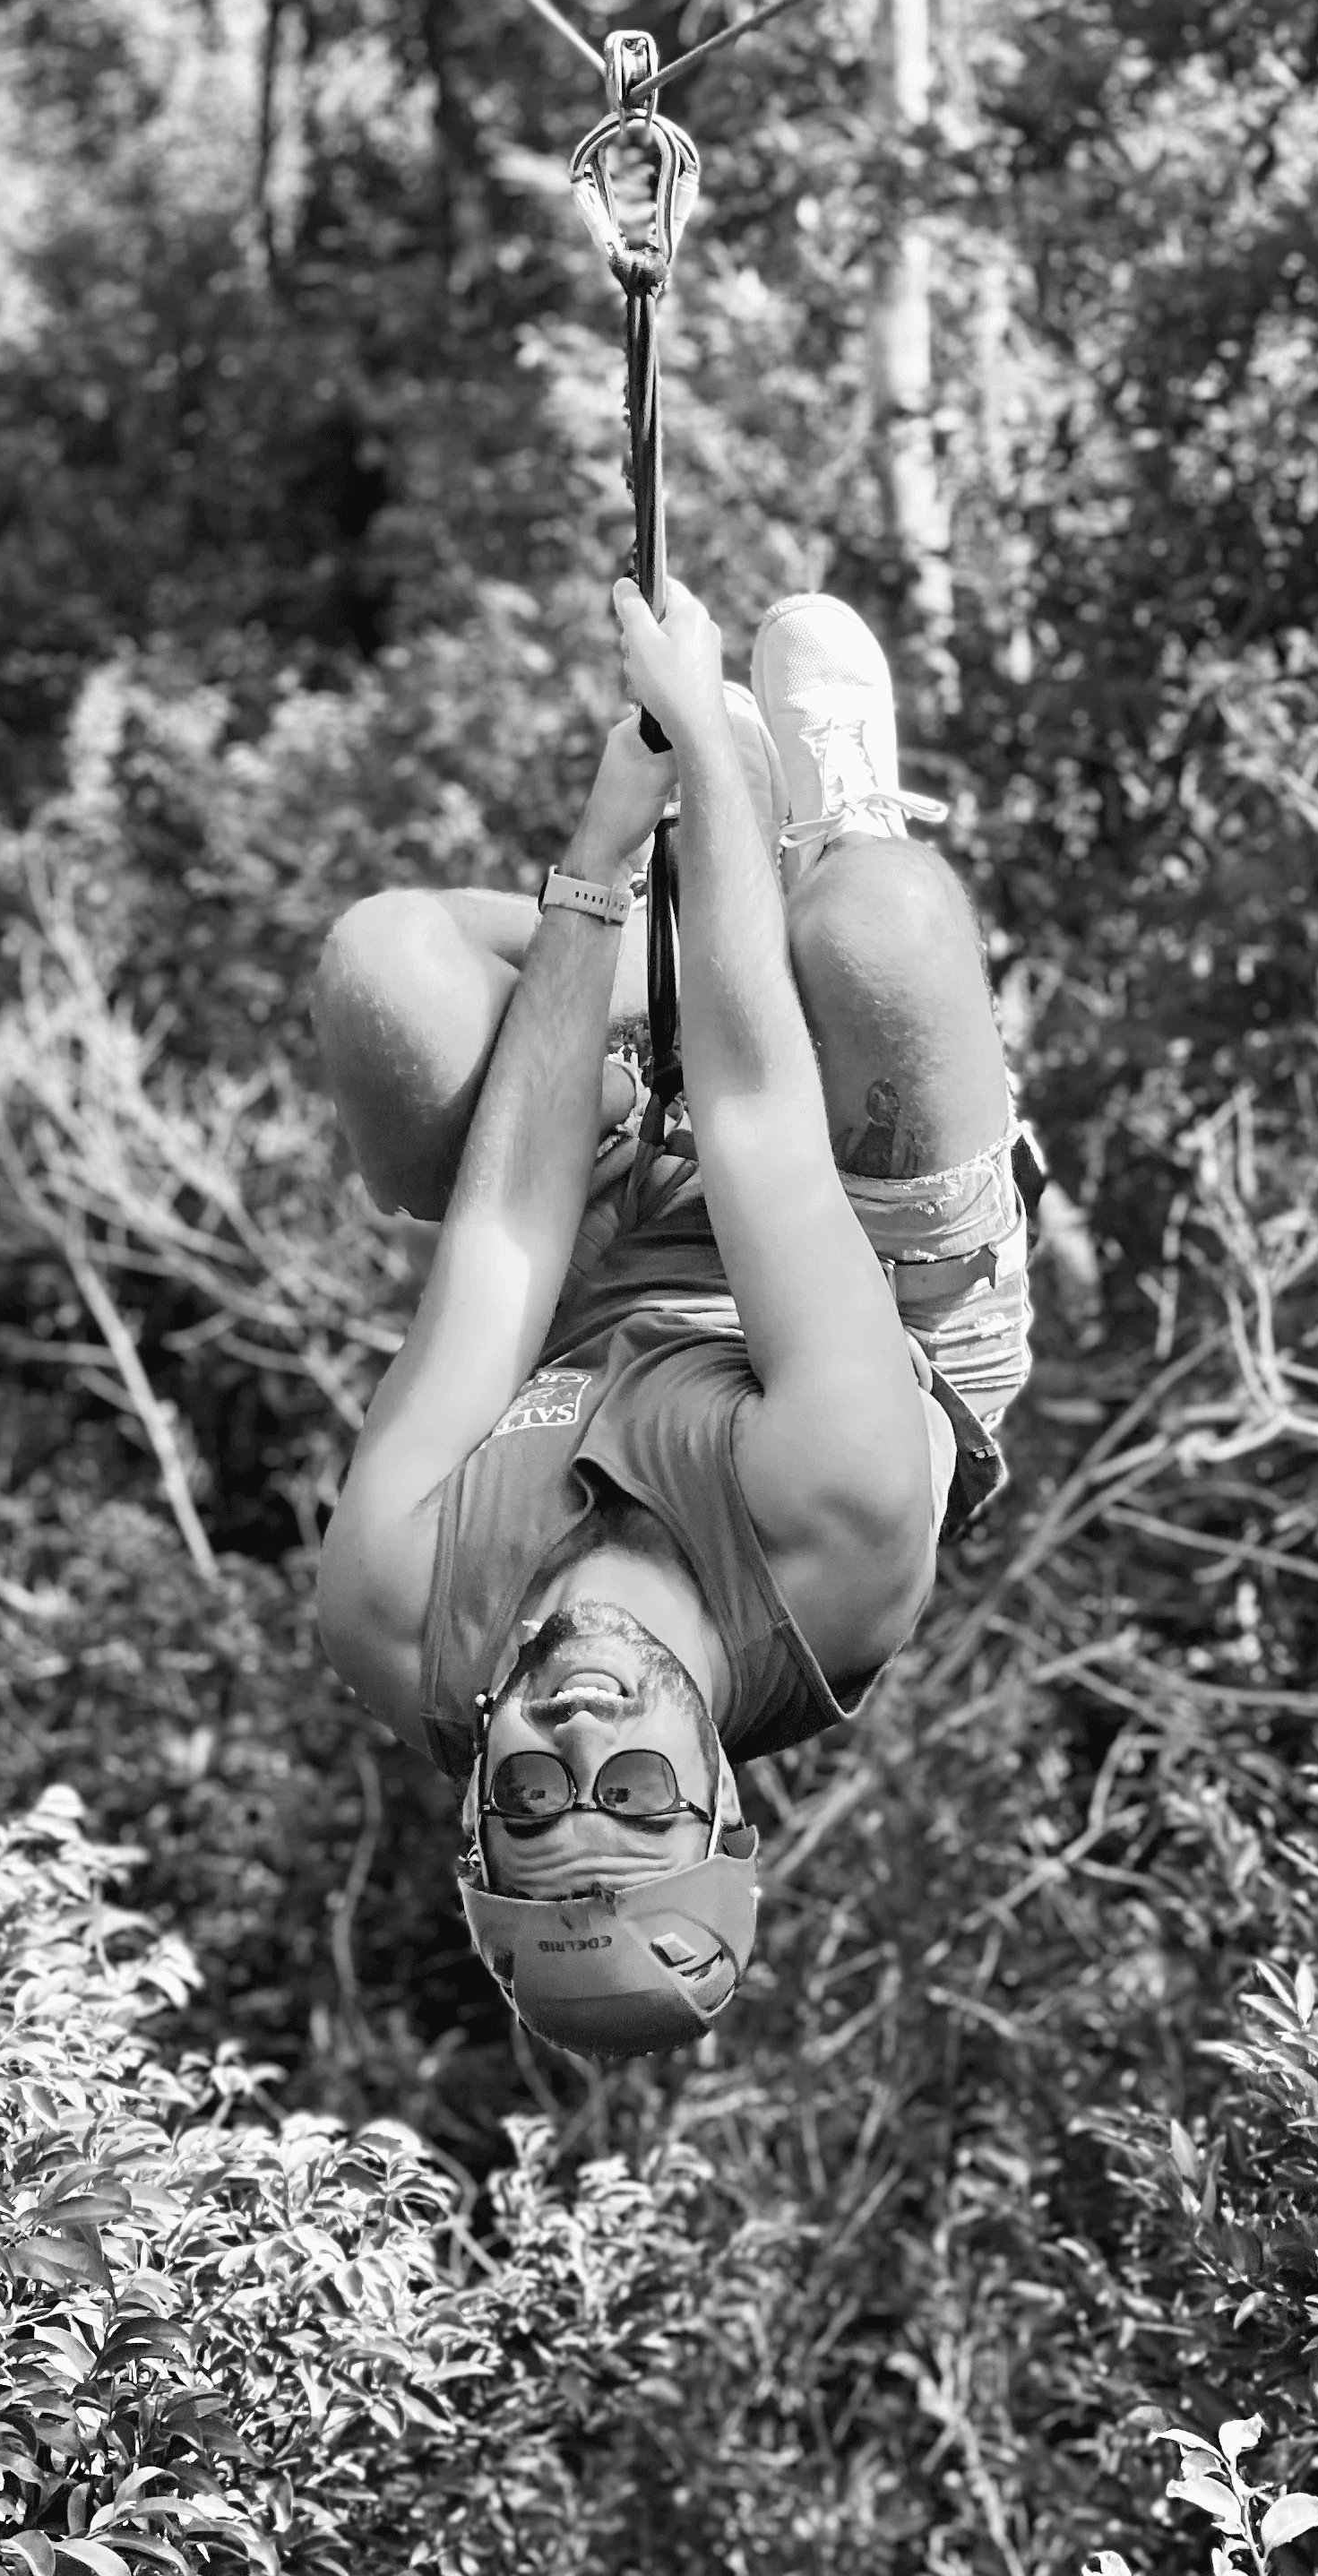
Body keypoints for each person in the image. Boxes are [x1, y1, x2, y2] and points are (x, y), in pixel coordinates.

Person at [312, 579, 1032, 2060]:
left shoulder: (394, 1610)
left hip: (613, 1246)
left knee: (385, 962)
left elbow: (508, 1242)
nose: (578, 1743)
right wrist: (701, 740)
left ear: (472, 1806)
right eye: (635, 1800)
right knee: (879, 930)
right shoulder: (831, 1526)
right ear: (718, 1791)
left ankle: (665, 993)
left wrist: (609, 841)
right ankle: (826, 829)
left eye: (533, 1804)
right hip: (872, 1274)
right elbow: (769, 1126)